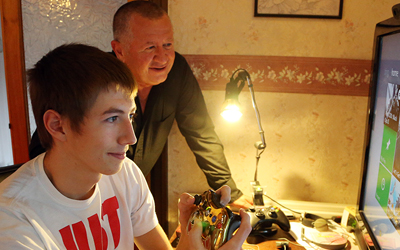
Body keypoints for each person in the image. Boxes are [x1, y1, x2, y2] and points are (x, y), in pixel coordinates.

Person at [0, 43, 250, 250]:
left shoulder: (125, 174)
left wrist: (190, 240)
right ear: (58, 125)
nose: (130, 137)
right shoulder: (12, 220)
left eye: (129, 115)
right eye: (111, 118)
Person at [29, 0, 253, 209]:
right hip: (81, 198)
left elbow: (201, 133)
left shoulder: (177, 72)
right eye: (150, 48)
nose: (163, 57)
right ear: (119, 50)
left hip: (130, 197)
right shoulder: (95, 81)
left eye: (167, 45)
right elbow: (47, 146)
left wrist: (230, 191)